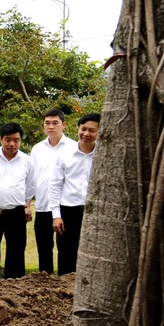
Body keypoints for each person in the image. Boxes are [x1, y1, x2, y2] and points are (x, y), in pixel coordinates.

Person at [0, 122, 36, 280]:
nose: (12, 144)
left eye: (16, 140)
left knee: (16, 251)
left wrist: (23, 203)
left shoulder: (27, 161)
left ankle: (14, 285)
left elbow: (30, 187)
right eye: (8, 140)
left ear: (20, 141)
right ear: (0, 139)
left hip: (15, 213)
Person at [49, 113, 100, 275]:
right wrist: (56, 215)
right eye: (83, 129)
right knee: (66, 255)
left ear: (100, 131)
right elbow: (55, 185)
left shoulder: (104, 155)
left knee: (93, 255)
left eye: (92, 130)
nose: (86, 134)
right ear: (77, 128)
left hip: (95, 212)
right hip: (68, 211)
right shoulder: (65, 154)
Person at [30, 108, 77, 274]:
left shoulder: (73, 147)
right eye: (47, 123)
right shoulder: (37, 149)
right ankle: (46, 286)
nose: (51, 127)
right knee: (44, 249)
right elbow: (32, 178)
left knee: (67, 249)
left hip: (65, 207)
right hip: (42, 206)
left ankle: (66, 284)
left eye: (55, 123)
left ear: (63, 124)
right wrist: (28, 203)